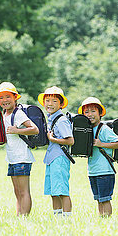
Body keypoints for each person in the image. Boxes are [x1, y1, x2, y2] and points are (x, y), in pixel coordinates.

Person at [0, 82, 38, 216]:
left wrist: (17, 130)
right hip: (12, 158)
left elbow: (34, 129)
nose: (4, 100)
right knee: (17, 191)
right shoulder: (4, 114)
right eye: (1, 97)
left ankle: (24, 217)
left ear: (15, 98)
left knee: (23, 191)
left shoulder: (18, 114)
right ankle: (19, 215)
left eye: (8, 97)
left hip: (22, 157)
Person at [79, 97, 118, 217]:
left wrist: (101, 144)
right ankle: (101, 219)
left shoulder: (104, 129)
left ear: (100, 113)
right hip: (93, 171)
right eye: (86, 112)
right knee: (98, 198)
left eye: (93, 111)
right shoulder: (87, 130)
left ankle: (107, 220)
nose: (89, 114)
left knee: (105, 199)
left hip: (105, 170)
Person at [38, 86, 74, 216]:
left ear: (61, 104)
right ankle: (57, 217)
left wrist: (53, 139)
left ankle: (67, 218)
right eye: (47, 101)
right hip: (51, 158)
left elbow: (70, 140)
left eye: (54, 101)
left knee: (62, 190)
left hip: (60, 158)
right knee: (53, 191)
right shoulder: (51, 118)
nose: (50, 104)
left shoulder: (61, 120)